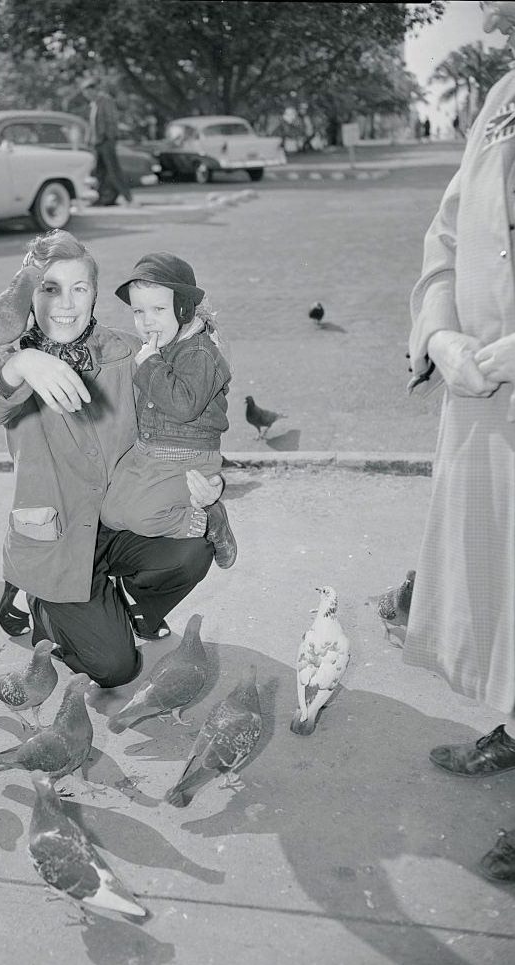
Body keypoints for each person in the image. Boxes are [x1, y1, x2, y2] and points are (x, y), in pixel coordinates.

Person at [0, 229, 221, 690]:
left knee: (194, 546)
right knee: (117, 669)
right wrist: (23, 365)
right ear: (30, 296)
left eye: (78, 288)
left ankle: (129, 605)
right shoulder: (15, 362)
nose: (65, 304)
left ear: (95, 295)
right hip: (57, 539)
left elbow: (185, 415)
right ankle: (39, 600)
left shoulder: (128, 351)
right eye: (50, 288)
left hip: (119, 521)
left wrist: (208, 487)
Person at [405, 0, 515, 883]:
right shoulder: (503, 96)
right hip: (482, 399)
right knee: (500, 585)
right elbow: (445, 237)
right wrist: (439, 336)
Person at [100, 253, 237, 572]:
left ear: (184, 309)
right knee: (110, 512)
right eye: (138, 311)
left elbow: (183, 405)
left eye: (158, 310)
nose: (146, 321)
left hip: (188, 457)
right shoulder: (161, 345)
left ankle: (206, 521)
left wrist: (149, 364)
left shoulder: (200, 353)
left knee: (143, 516)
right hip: (150, 452)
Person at [79, 76, 135, 207]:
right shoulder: (94, 104)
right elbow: (93, 125)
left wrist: (107, 138)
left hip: (106, 142)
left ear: (93, 90)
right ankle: (101, 198)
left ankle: (129, 198)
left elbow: (111, 121)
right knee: (100, 173)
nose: (86, 95)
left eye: (87, 91)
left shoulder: (105, 100)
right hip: (98, 143)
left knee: (114, 170)